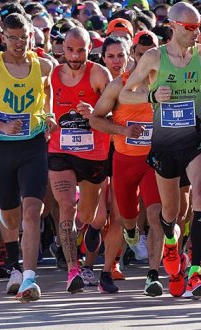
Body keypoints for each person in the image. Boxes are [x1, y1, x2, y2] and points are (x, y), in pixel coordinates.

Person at [120, 2, 201, 300]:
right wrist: (152, 95)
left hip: (197, 136)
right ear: (173, 26)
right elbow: (127, 92)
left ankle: (198, 269)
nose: (196, 32)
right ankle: (169, 242)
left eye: (199, 26)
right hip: (165, 142)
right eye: (190, 28)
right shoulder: (153, 57)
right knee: (171, 212)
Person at [0, 13, 56, 302]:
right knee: (10, 213)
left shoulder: (43, 66)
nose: (18, 43)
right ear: (3, 37)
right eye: (12, 37)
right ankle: (14, 263)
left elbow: (48, 90)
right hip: (2, 148)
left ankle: (29, 277)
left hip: (33, 146)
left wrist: (49, 115)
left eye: (23, 37)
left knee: (31, 211)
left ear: (32, 36)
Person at [89, 30, 165, 297]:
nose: (146, 60)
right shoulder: (119, 85)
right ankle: (107, 270)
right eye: (141, 55)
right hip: (124, 162)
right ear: (134, 55)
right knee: (122, 219)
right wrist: (123, 131)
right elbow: (95, 119)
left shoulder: (166, 85)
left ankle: (153, 275)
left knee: (157, 215)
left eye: (151, 54)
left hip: (153, 163)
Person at [46, 27, 113, 293]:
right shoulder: (52, 75)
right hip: (60, 151)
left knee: (86, 215)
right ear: (62, 48)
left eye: (81, 50)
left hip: (93, 154)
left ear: (89, 49)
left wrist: (94, 113)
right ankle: (73, 270)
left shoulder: (99, 74)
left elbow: (115, 119)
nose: (75, 56)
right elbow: (43, 108)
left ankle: (79, 238)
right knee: (65, 206)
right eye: (70, 50)